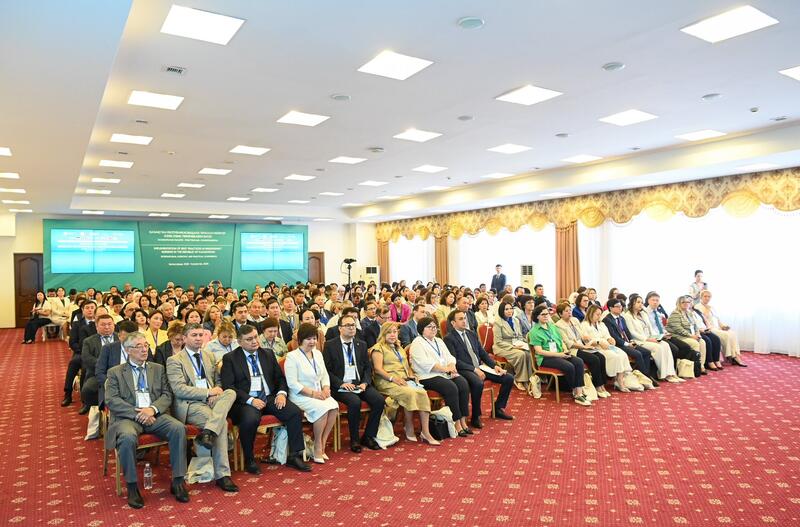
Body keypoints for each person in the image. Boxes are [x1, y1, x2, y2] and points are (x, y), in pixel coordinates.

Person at [105, 332, 188, 509]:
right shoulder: (115, 372)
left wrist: (152, 409)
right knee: (127, 438)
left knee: (178, 428)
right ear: (128, 350)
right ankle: (132, 486)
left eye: (146, 345)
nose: (144, 350)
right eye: (139, 346)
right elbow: (112, 400)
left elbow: (167, 395)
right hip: (128, 417)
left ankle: (178, 480)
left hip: (154, 414)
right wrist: (138, 414)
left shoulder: (157, 369)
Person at [221, 324, 309, 473]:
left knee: (294, 412)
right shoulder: (230, 358)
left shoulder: (267, 353)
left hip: (269, 397)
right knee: (250, 419)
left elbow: (280, 378)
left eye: (255, 337)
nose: (254, 341)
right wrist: (251, 400)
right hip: (246, 401)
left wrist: (281, 393)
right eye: (249, 339)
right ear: (239, 342)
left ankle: (294, 455)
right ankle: (249, 459)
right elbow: (228, 386)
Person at [166, 323, 238, 493]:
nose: (198, 338)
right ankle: (222, 475)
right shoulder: (174, 360)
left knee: (230, 392)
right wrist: (207, 393)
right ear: (184, 338)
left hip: (213, 400)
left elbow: (218, 381)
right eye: (194, 335)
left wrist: (216, 392)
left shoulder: (208, 356)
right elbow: (179, 389)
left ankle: (208, 433)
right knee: (220, 424)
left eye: (200, 335)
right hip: (191, 404)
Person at [322, 315, 384, 452]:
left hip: (359, 384)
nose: (351, 328)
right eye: (348, 325)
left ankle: (368, 436)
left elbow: (367, 367)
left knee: (379, 400)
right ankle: (354, 439)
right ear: (340, 328)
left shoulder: (361, 344)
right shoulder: (330, 345)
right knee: (354, 402)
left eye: (353, 325)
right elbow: (326, 371)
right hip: (341, 386)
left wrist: (365, 383)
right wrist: (341, 383)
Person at [370, 322, 439, 445]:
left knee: (422, 393)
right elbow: (378, 369)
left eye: (395, 332)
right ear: (383, 334)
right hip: (386, 381)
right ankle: (409, 425)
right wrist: (393, 378)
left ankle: (425, 431)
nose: (392, 335)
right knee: (409, 393)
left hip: (404, 380)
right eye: (389, 332)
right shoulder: (378, 348)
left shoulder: (399, 347)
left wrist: (412, 375)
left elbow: (407, 366)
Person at [443, 310, 514, 427]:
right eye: (460, 319)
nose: (464, 321)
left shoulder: (471, 334)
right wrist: (474, 369)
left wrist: (495, 366)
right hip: (464, 369)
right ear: (453, 323)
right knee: (477, 383)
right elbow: (454, 360)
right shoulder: (449, 338)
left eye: (464, 318)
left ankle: (498, 408)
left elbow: (483, 353)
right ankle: (476, 416)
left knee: (508, 378)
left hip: (479, 366)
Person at [284, 323, 339, 463]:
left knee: (334, 406)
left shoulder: (318, 354)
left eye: (314, 338)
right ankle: (318, 446)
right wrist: (313, 394)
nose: (312, 342)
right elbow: (292, 384)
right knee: (322, 409)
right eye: (308, 339)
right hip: (301, 395)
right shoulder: (292, 356)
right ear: (301, 339)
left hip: (319, 393)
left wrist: (326, 388)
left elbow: (325, 374)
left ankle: (321, 442)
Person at [409, 316, 472, 436]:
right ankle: (455, 423)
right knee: (451, 387)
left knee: (463, 383)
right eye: (429, 327)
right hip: (426, 376)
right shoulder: (417, 343)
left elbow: (449, 356)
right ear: (421, 329)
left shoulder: (439, 340)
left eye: (434, 327)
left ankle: (463, 420)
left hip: (444, 373)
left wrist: (451, 365)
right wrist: (445, 369)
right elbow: (424, 363)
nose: (433, 329)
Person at [529, 304, 591, 405]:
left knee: (579, 361)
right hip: (545, 358)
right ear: (537, 316)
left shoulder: (552, 326)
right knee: (569, 366)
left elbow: (561, 341)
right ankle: (576, 392)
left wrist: (565, 351)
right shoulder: (534, 331)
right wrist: (559, 355)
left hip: (559, 353)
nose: (546, 316)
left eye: (547, 314)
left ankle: (579, 392)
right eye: (543, 314)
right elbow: (539, 351)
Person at [554, 302, 611, 398]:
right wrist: (584, 347)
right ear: (560, 314)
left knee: (601, 357)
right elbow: (568, 343)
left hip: (583, 345)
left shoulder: (575, 320)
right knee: (594, 359)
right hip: (573, 349)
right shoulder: (558, 325)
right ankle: (597, 386)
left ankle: (602, 386)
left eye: (570, 310)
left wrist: (588, 340)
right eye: (566, 311)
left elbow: (582, 334)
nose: (569, 312)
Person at [623, 294, 683, 383]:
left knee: (665, 345)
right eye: (638, 302)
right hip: (639, 341)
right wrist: (648, 339)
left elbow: (650, 328)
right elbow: (632, 333)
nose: (640, 304)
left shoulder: (643, 314)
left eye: (642, 302)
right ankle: (664, 375)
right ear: (632, 303)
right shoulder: (627, 316)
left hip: (650, 338)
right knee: (658, 348)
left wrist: (658, 337)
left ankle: (672, 373)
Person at [603, 298, 659, 386]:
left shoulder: (621, 318)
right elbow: (614, 336)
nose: (620, 308)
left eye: (621, 306)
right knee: (637, 354)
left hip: (627, 342)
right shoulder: (607, 320)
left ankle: (644, 376)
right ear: (610, 308)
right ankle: (646, 377)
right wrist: (626, 344)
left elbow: (627, 332)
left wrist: (631, 341)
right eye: (617, 306)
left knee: (646, 352)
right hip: (619, 345)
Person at [580, 305, 635, 392]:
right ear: (591, 314)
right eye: (597, 314)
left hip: (606, 346)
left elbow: (607, 335)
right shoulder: (584, 325)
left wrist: (610, 339)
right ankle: (618, 380)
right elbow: (586, 340)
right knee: (615, 356)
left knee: (623, 354)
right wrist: (599, 342)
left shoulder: (601, 324)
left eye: (600, 314)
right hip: (596, 348)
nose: (599, 316)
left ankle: (619, 379)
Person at [492, 301, 535, 395]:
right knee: (521, 354)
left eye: (511, 308)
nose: (509, 311)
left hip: (516, 344)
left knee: (528, 353)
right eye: (506, 309)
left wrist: (524, 344)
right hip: (502, 347)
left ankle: (528, 379)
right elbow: (498, 341)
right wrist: (514, 347)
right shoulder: (498, 322)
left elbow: (519, 336)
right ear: (502, 311)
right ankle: (519, 379)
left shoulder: (515, 320)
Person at [79, 314, 118, 416]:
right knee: (88, 389)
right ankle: (92, 406)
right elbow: (87, 358)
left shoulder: (121, 338)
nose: (107, 327)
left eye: (109, 324)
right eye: (103, 325)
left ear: (114, 325)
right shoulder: (89, 341)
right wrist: (103, 365)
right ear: (96, 326)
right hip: (96, 373)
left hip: (119, 372)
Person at [696, 290, 746, 366]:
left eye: (709, 296)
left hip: (717, 327)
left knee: (732, 333)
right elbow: (703, 318)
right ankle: (731, 357)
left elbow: (717, 318)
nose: (707, 298)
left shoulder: (711, 307)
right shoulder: (698, 307)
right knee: (726, 335)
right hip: (709, 328)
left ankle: (735, 355)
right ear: (701, 297)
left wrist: (722, 326)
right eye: (705, 296)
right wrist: (707, 309)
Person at [62, 300, 97, 407]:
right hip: (80, 352)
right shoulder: (77, 324)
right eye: (87, 308)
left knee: (86, 367)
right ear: (82, 310)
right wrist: (83, 351)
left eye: (92, 307)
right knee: (73, 363)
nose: (90, 310)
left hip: (95, 353)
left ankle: (85, 398)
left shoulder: (99, 323)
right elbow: (73, 342)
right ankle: (67, 393)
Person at [666, 296, 709, 375]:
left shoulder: (689, 313)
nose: (686, 304)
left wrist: (697, 334)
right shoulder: (675, 314)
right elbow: (678, 329)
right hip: (679, 336)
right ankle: (695, 367)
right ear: (678, 304)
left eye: (688, 302)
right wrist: (691, 336)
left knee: (702, 342)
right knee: (695, 343)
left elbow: (695, 326)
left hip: (691, 335)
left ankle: (701, 366)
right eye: (683, 302)